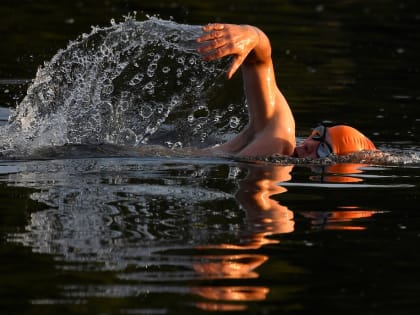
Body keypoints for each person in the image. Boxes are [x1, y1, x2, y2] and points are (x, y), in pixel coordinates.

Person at [196, 23, 376, 158]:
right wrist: (252, 35)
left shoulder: (278, 156)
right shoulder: (280, 136)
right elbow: (259, 60)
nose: (309, 144)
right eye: (318, 135)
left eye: (323, 150)